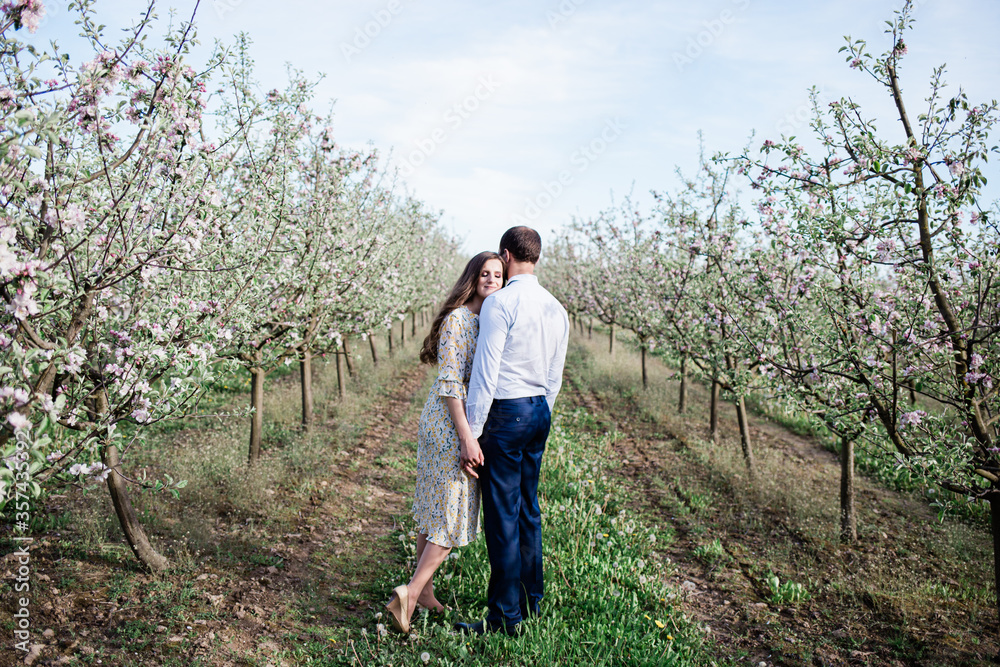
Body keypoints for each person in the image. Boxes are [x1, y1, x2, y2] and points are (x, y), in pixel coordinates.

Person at [454, 226, 570, 636]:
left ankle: (506, 616)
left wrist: (472, 432)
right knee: (528, 510)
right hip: (538, 409)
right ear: (535, 257)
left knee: (503, 517)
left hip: (506, 411)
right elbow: (555, 373)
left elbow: (486, 374)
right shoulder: (557, 308)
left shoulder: (500, 304)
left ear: (506, 256)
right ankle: (530, 601)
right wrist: (541, 413)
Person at [385, 251, 506, 634]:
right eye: (484, 273)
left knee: (434, 506)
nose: (490, 280)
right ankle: (409, 592)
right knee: (450, 512)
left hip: (452, 424)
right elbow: (452, 386)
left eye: (497, 275)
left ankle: (424, 593)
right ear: (472, 277)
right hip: (449, 426)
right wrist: (467, 438)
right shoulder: (459, 320)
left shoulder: (482, 318)